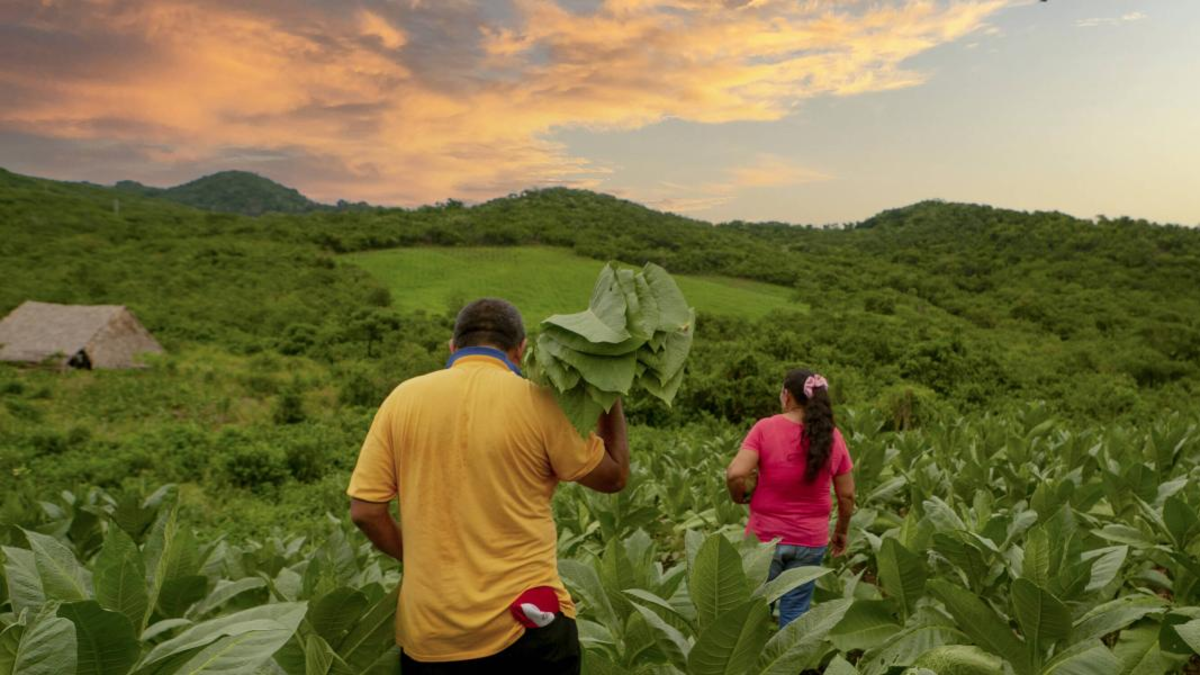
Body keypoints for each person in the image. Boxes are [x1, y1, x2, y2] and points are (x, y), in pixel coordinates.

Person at [347, 298, 629, 673]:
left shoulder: (402, 399)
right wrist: (611, 394)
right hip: (527, 624)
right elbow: (614, 477)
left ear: (452, 346)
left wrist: (414, 558)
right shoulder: (539, 401)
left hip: (431, 635)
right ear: (521, 348)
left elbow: (365, 511)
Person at [725, 369, 855, 627]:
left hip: (764, 540)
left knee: (754, 613)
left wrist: (739, 495)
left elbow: (736, 473)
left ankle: (751, 663)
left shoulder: (765, 427)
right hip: (810, 540)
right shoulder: (833, 437)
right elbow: (847, 495)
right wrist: (840, 532)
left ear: (786, 396)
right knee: (795, 614)